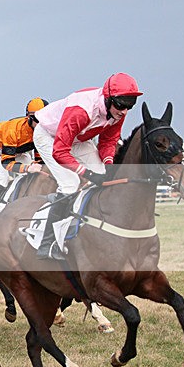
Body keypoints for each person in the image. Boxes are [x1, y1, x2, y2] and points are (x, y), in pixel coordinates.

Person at [33, 73, 143, 260]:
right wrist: (87, 173)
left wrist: (108, 165)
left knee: (103, 176)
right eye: (121, 105)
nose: (124, 111)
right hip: (49, 137)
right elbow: (60, 151)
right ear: (108, 99)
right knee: (70, 183)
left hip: (78, 139)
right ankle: (47, 242)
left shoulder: (117, 112)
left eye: (130, 105)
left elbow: (108, 141)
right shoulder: (82, 111)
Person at [0, 97, 48, 223]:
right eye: (39, 120)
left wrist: (35, 166)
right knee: (2, 178)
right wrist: (27, 167)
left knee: (37, 172)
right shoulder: (13, 130)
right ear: (29, 118)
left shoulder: (43, 132)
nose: (42, 125)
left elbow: (39, 160)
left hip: (19, 151)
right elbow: (6, 162)